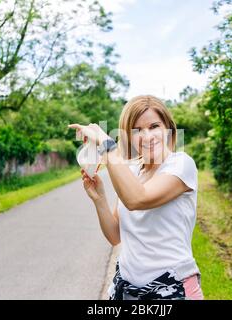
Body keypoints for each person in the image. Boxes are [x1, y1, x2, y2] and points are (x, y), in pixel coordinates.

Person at [68, 95, 203, 300]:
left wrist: (107, 145)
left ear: (168, 129)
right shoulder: (132, 170)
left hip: (171, 288)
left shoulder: (181, 165)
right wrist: (100, 199)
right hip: (126, 288)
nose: (147, 136)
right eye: (137, 130)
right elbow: (115, 236)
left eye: (154, 126)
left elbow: (137, 199)